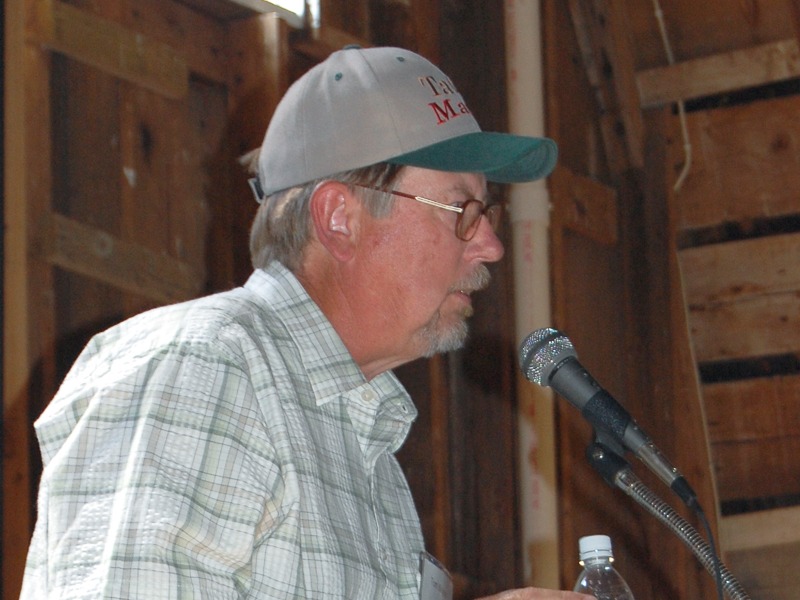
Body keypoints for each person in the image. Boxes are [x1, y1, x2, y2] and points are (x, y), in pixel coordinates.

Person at [20, 46, 591, 600]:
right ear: (340, 217)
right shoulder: (206, 366)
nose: (490, 246)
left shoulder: (365, 440)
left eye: (488, 213)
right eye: (462, 210)